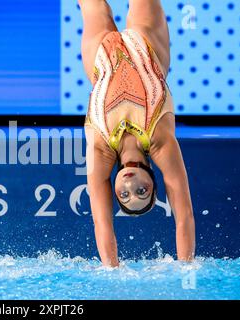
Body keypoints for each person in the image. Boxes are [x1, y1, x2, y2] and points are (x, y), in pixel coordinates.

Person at [79, 0, 195, 267]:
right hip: (148, 46)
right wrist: (186, 270)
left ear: (114, 191)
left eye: (124, 195)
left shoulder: (101, 148)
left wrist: (112, 270)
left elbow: (102, 223)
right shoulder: (161, 143)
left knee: (91, 4)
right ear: (154, 182)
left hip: (101, 55)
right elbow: (185, 215)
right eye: (142, 191)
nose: (131, 186)